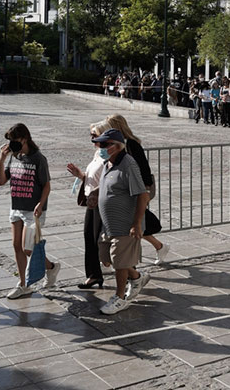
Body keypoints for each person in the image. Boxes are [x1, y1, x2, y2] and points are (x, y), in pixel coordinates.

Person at [0, 123, 60, 298]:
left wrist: (41, 204)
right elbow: (2, 181)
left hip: (33, 210)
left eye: (14, 140)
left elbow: (47, 185)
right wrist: (1, 160)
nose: (11, 144)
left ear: (24, 138)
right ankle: (23, 284)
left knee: (28, 248)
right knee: (16, 245)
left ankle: (51, 267)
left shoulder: (38, 158)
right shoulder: (14, 156)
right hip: (16, 206)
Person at [93, 129, 150, 315]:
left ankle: (120, 297)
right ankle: (137, 277)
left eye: (103, 144)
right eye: (98, 144)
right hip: (108, 224)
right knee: (107, 258)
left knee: (118, 261)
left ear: (116, 146)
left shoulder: (128, 164)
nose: (99, 147)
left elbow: (142, 194)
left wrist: (136, 223)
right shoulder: (108, 163)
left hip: (125, 224)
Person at [104, 114, 170, 265]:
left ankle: (128, 263)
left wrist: (144, 190)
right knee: (131, 224)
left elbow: (143, 167)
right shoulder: (114, 144)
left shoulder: (131, 144)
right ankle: (158, 247)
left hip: (134, 190)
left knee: (135, 223)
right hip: (124, 189)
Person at [67, 120, 111, 289]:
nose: (92, 139)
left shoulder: (108, 154)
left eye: (95, 135)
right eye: (91, 135)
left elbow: (112, 177)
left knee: (108, 240)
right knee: (89, 237)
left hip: (104, 202)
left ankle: (130, 272)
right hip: (92, 202)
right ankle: (93, 275)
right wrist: (80, 175)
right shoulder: (98, 153)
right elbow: (93, 176)